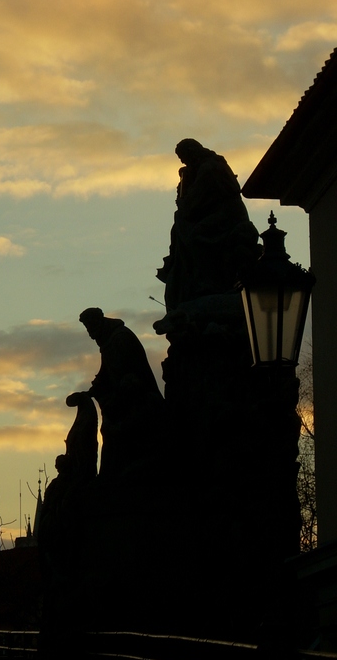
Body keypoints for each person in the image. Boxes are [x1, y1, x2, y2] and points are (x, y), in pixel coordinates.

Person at [157, 139, 258, 310]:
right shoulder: (203, 167)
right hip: (218, 213)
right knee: (181, 229)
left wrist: (185, 194)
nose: (183, 162)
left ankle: (208, 282)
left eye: (184, 157)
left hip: (227, 216)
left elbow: (193, 203)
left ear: (192, 152)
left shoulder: (210, 168)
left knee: (195, 236)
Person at [78, 308, 164, 475]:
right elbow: (106, 371)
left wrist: (115, 395)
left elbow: (127, 372)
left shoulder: (120, 338)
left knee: (119, 431)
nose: (90, 334)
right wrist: (95, 388)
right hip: (123, 395)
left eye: (90, 328)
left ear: (98, 323)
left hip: (135, 396)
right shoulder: (108, 341)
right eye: (87, 329)